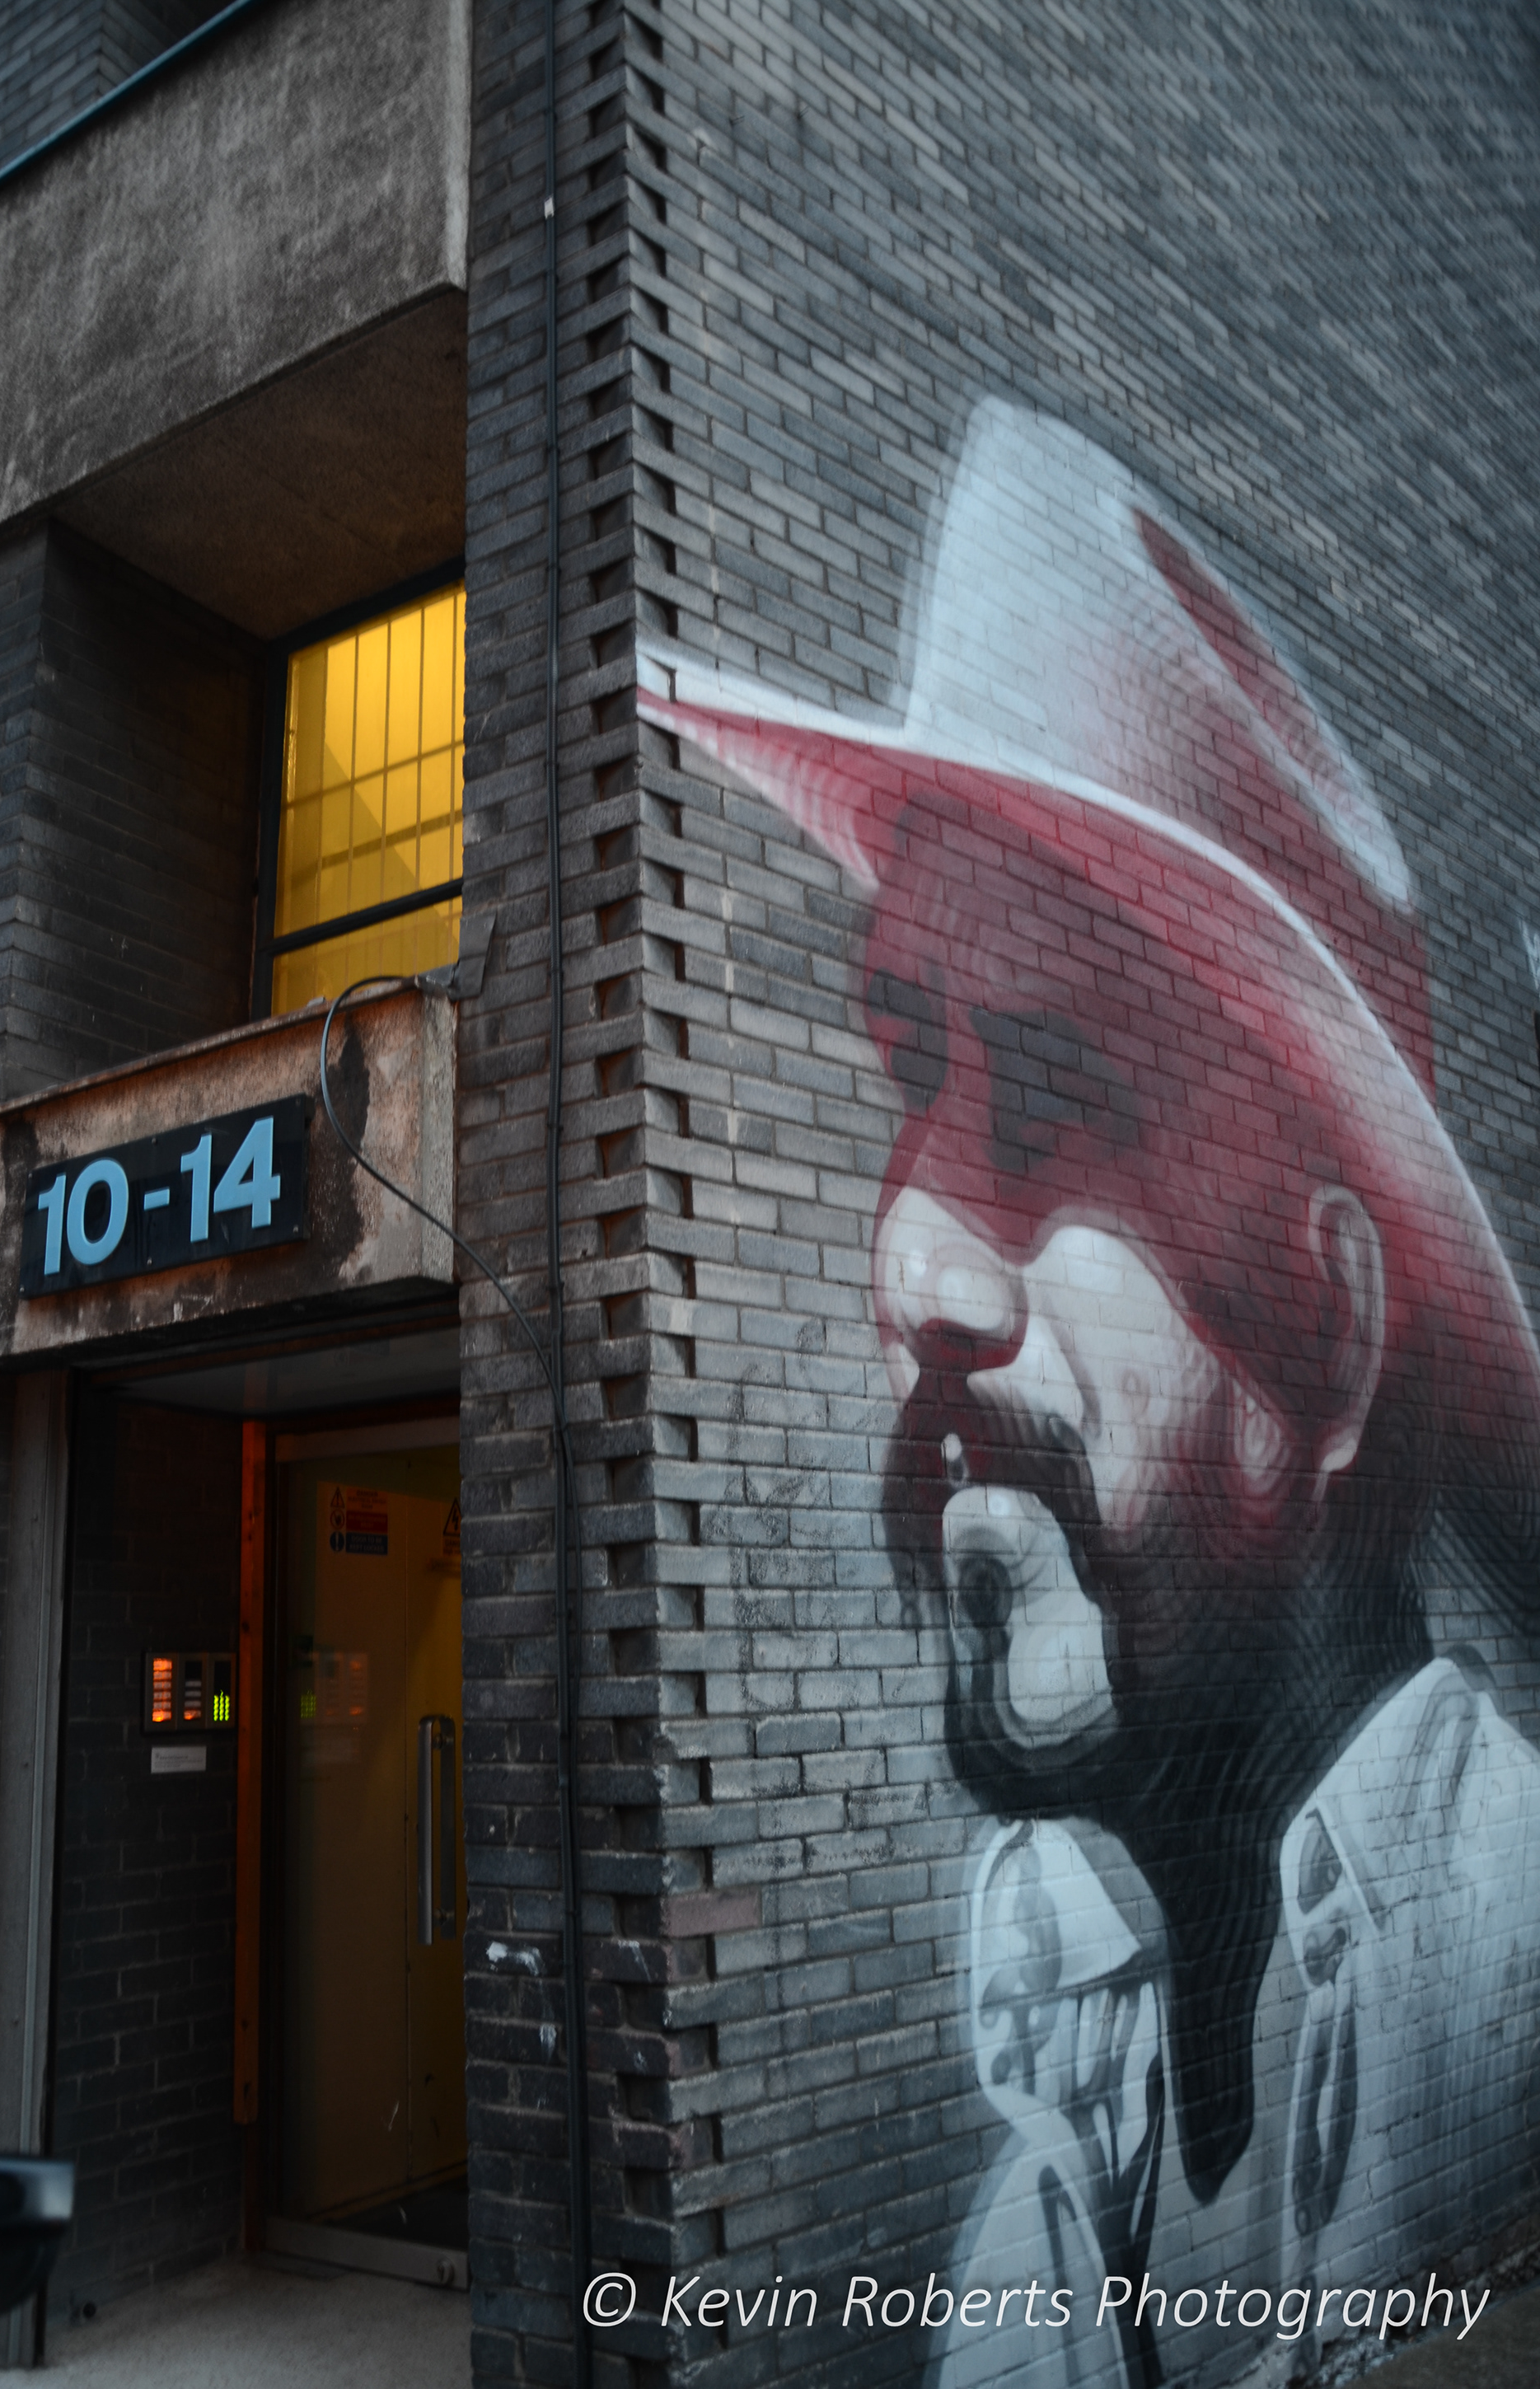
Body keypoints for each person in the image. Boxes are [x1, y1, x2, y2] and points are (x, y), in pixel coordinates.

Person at [639, 401, 1540, 2384]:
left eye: (1055, 1097)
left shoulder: (1511, 1986)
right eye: (913, 1073)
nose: (913, 1268)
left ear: (1334, 1330)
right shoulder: (1052, 2093)